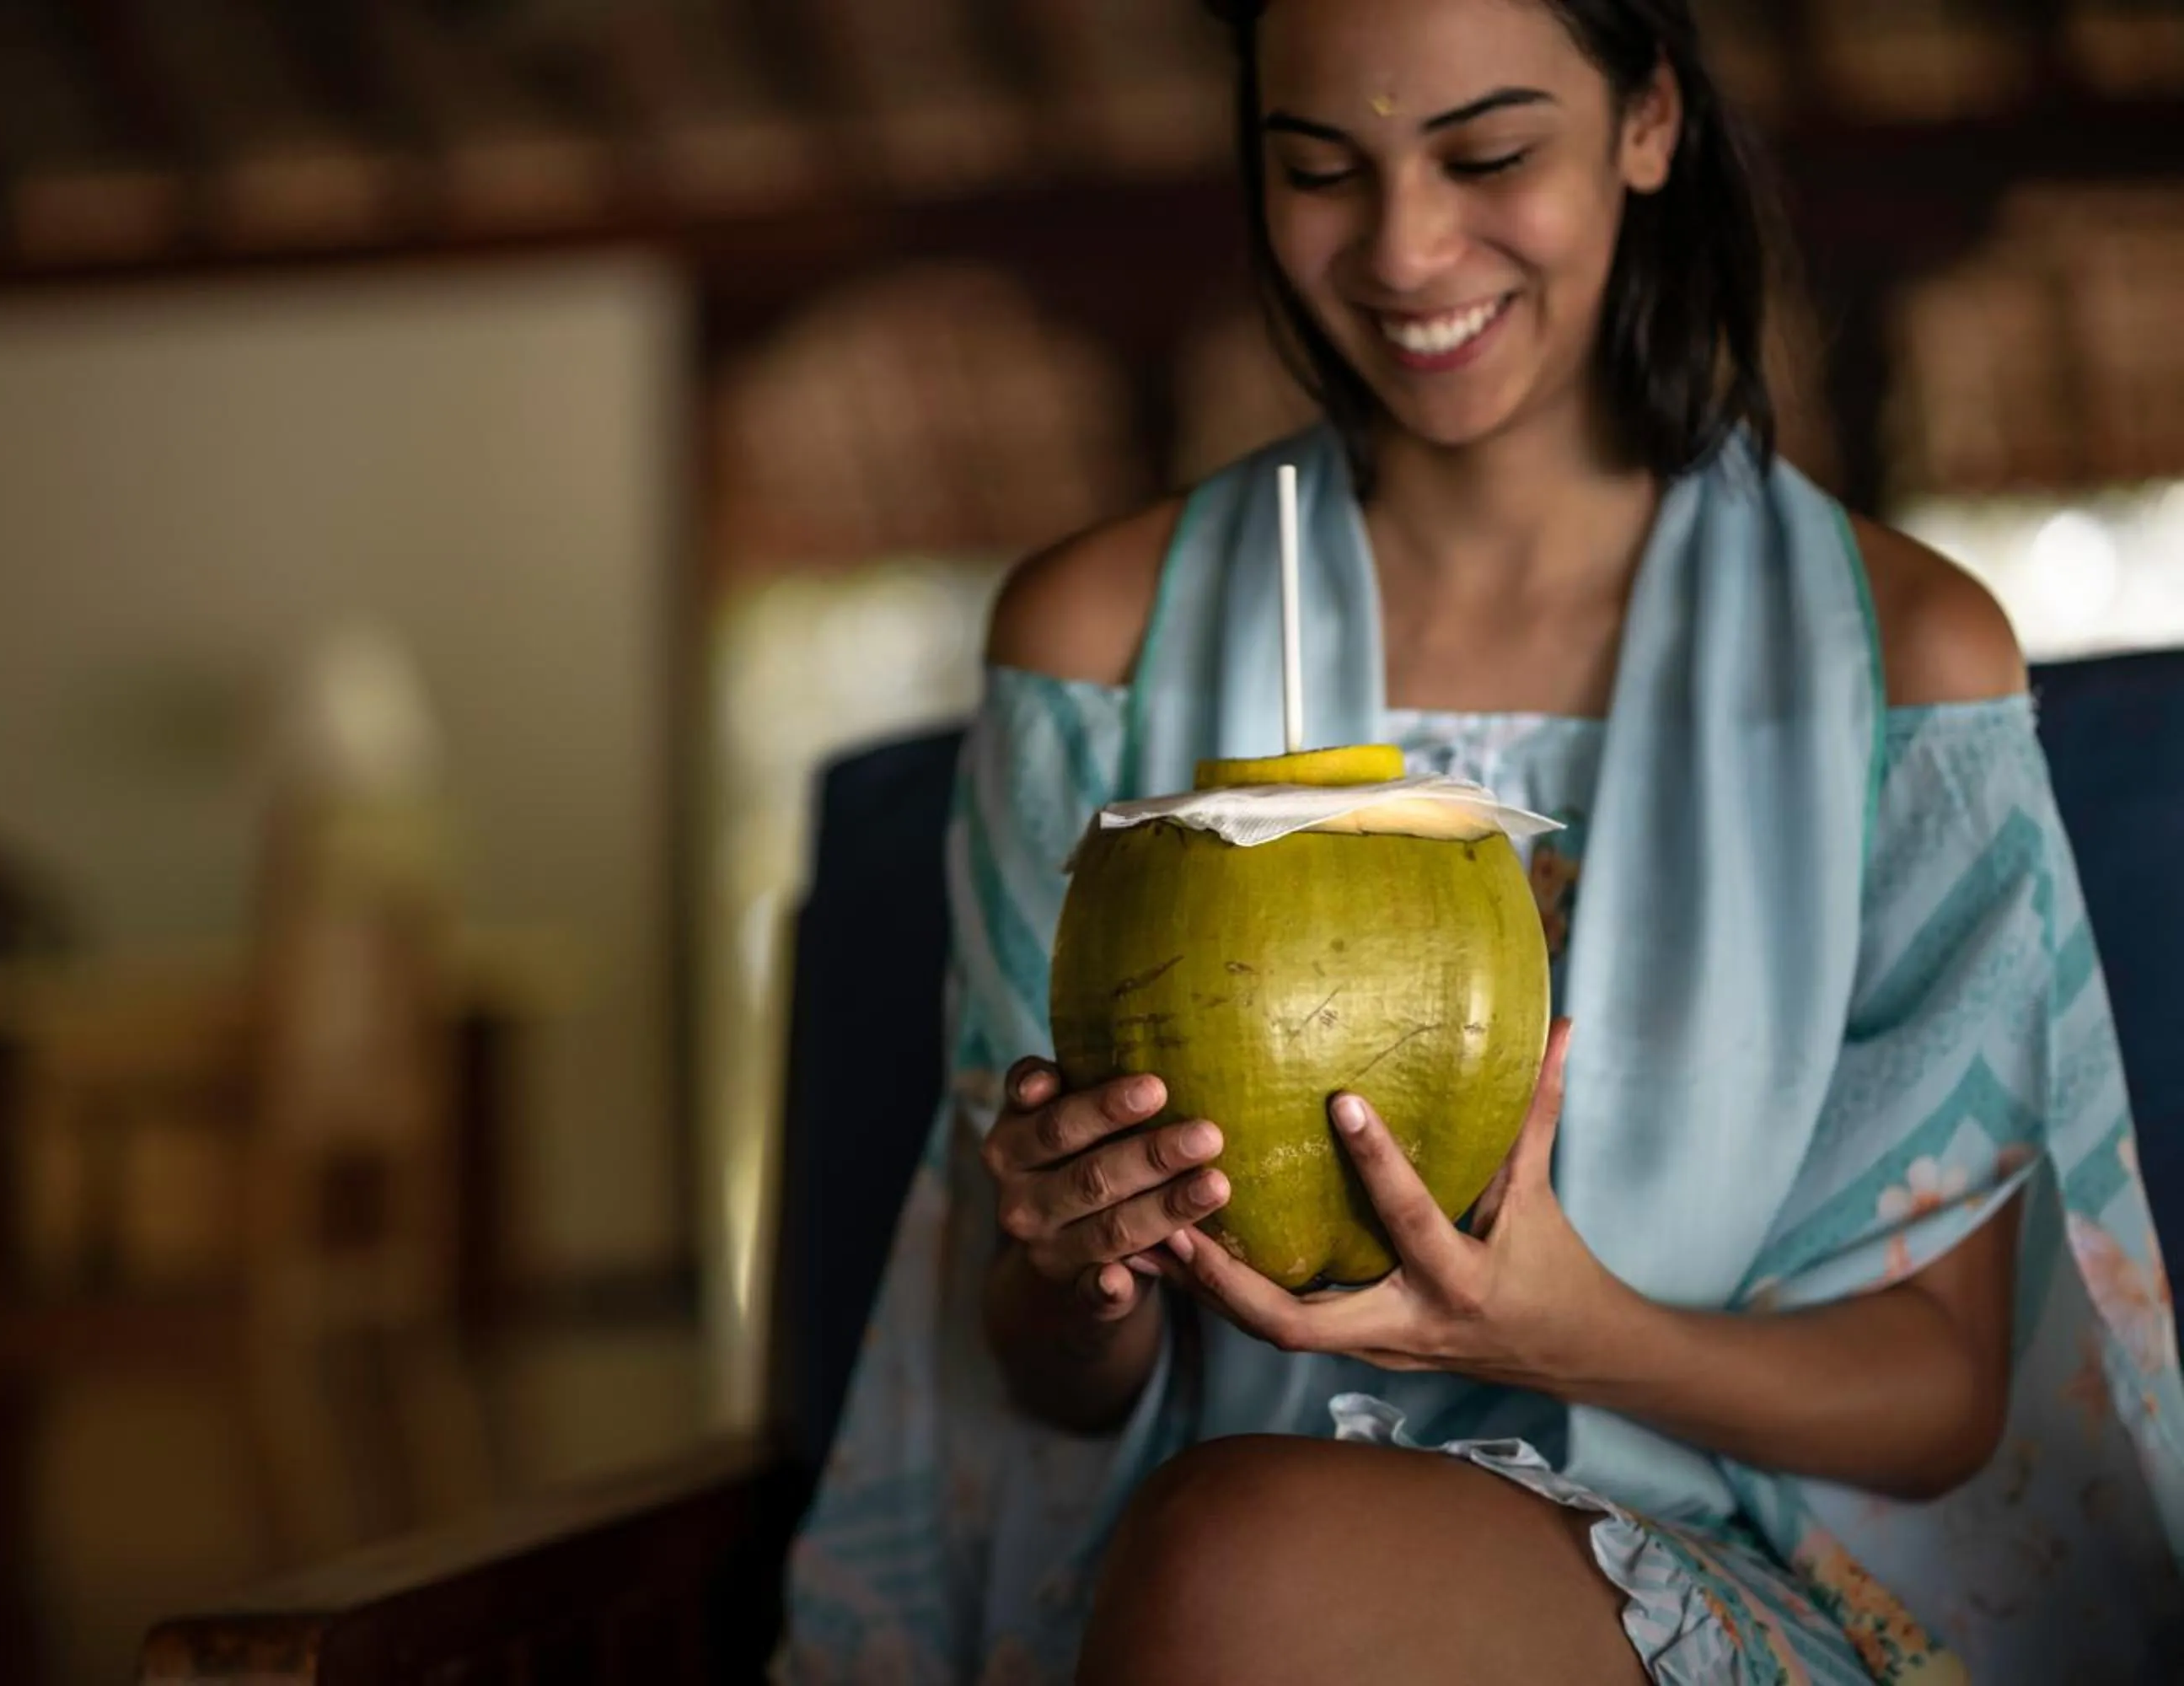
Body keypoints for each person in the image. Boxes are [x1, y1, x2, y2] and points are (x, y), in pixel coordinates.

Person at [781, 1, 2184, 1680]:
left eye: (1491, 152)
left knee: (1256, 1566)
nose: (1405, 245)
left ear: (1648, 122)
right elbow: (1044, 1371)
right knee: (1236, 1557)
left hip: (1734, 1574)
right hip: (1193, 1576)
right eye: (1320, 168)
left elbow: (1944, 1393)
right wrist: (1078, 1272)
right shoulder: (1100, 649)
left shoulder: (1897, 663)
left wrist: (1568, 1334)